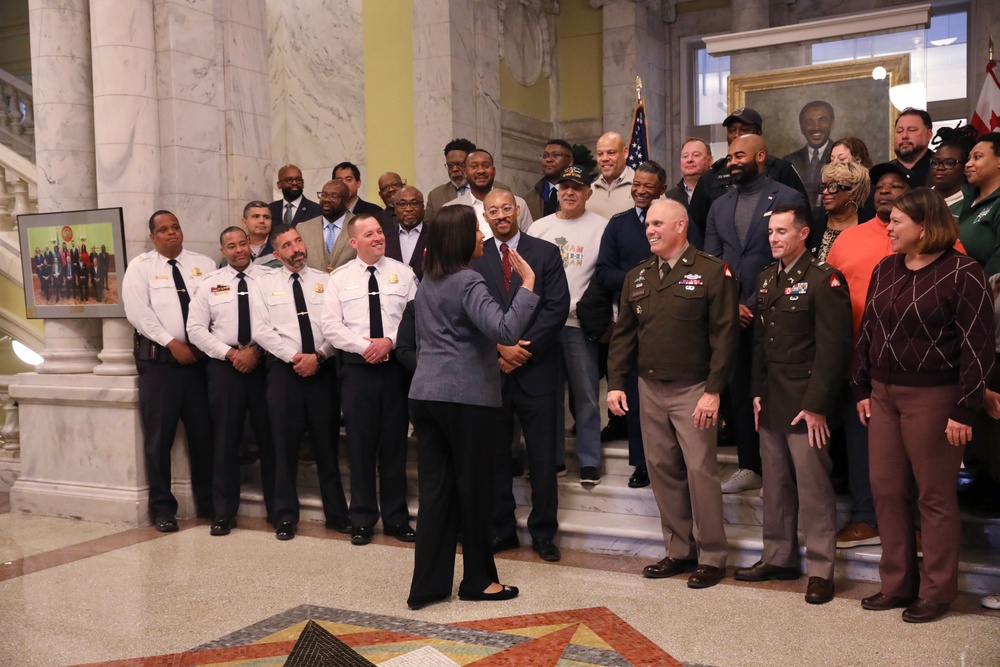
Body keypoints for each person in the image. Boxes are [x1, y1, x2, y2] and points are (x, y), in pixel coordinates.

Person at [852, 188, 995, 623]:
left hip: (935, 398)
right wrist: (861, 386)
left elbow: (979, 346)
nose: (889, 227)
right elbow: (868, 330)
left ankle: (936, 591)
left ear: (924, 226)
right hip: (883, 393)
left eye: (896, 221)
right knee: (887, 490)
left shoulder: (963, 272)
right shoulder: (886, 267)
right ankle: (896, 584)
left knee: (933, 497)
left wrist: (964, 408)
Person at [406, 205, 540, 611]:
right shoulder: (469, 280)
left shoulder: (428, 282)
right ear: (461, 239)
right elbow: (505, 329)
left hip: (425, 396)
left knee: (436, 494)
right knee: (475, 491)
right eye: (477, 231)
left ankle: (428, 587)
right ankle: (479, 581)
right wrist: (528, 282)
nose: (482, 237)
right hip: (466, 400)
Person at [607, 198, 738, 590]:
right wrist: (615, 382)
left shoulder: (712, 272)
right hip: (650, 388)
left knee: (700, 472)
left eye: (658, 223)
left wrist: (713, 391)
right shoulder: (638, 276)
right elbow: (624, 336)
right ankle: (680, 550)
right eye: (648, 224)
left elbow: (725, 336)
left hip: (695, 388)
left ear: (681, 226)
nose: (650, 230)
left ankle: (712, 556)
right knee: (662, 471)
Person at [735, 202, 852, 605]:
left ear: (803, 234)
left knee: (814, 489)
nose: (774, 238)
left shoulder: (824, 280)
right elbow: (761, 346)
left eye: (781, 232)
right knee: (776, 486)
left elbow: (833, 350)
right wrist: (755, 392)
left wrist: (818, 404)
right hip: (771, 400)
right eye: (771, 232)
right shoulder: (767, 280)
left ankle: (821, 569)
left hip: (806, 404)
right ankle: (779, 556)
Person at [704, 133, 808, 494]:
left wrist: (753, 301)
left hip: (777, 309)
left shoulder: (787, 196)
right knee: (738, 388)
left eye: (739, 156)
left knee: (775, 387)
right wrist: (731, 304)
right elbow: (712, 261)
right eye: (729, 156)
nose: (731, 162)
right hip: (731, 313)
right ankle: (750, 465)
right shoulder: (719, 205)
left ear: (761, 156)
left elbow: (791, 256)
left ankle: (785, 466)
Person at [472, 189, 569, 562]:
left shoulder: (544, 253)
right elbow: (472, 311)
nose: (500, 215)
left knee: (543, 458)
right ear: (486, 216)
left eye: (506, 208)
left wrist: (521, 350)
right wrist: (500, 348)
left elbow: (557, 308)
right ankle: (503, 529)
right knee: (496, 456)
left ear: (517, 211)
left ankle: (544, 533)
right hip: (493, 373)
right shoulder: (476, 258)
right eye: (492, 211)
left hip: (537, 371)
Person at [825, 162, 914, 550]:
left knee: (910, 448)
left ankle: (913, 523)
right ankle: (865, 517)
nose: (885, 191)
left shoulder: (924, 237)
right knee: (861, 445)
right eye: (880, 186)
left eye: (896, 186)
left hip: (912, 365)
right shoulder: (849, 238)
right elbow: (826, 295)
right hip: (856, 360)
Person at [249, 223, 350, 541]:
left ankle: (337, 515)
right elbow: (261, 330)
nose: (297, 248)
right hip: (284, 373)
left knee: (326, 445)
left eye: (298, 241)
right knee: (284, 446)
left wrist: (318, 356)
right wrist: (295, 357)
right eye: (288, 245)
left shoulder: (326, 280)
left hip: (322, 371)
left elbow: (337, 325)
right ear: (277, 254)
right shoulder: (264, 285)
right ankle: (285, 516)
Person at [322, 214, 418, 546]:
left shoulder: (403, 273)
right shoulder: (339, 279)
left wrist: (389, 341)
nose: (378, 237)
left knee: (394, 445)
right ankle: (362, 518)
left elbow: (414, 317)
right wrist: (367, 347)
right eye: (369, 234)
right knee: (360, 446)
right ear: (354, 242)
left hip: (394, 370)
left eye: (379, 231)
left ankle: (396, 519)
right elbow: (331, 327)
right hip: (357, 371)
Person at [122, 210, 217, 531]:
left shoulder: (203, 265)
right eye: (163, 230)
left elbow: (216, 307)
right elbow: (138, 313)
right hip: (160, 365)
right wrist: (171, 343)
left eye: (176, 227)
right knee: (158, 440)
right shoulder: (140, 267)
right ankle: (162, 509)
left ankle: (208, 503)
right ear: (153, 237)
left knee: (204, 436)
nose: (171, 233)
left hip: (200, 364)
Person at [186, 226, 275, 535]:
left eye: (243, 243)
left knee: (270, 438)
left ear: (250, 245)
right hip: (224, 367)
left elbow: (282, 321)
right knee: (224, 440)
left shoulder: (269, 280)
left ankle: (278, 510)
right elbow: (195, 329)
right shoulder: (209, 284)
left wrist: (258, 350)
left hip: (265, 365)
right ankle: (223, 512)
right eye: (231, 246)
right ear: (222, 251)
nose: (239, 250)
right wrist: (230, 354)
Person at [529, 166, 609, 486]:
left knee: (587, 396)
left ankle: (589, 460)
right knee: (549, 398)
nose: (570, 193)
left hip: (579, 324)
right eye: (564, 187)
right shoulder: (539, 228)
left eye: (577, 187)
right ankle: (555, 459)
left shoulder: (601, 228)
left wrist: (610, 317)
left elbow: (605, 278)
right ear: (557, 191)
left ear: (589, 192)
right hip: (544, 326)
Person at [594, 160, 670, 487]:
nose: (639, 191)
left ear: (662, 189)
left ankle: (670, 462)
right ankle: (641, 463)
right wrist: (639, 279)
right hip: (632, 322)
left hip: (672, 326)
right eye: (635, 184)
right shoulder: (619, 224)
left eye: (647, 186)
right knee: (637, 400)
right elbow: (603, 271)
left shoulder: (677, 222)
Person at [688, 107, 807, 245]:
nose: (736, 135)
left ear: (758, 133)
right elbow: (695, 229)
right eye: (731, 130)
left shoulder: (780, 169)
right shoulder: (712, 176)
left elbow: (802, 222)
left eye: (744, 130)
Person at [442, 149, 532, 237]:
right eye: (474, 166)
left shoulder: (518, 203)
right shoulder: (451, 209)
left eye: (486, 166)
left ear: (494, 171)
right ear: (465, 172)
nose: (481, 171)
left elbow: (529, 242)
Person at [956, 132, 1000, 275]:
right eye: (968, 159)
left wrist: (979, 289)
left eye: (977, 157)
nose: (968, 164)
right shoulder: (961, 202)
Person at [783, 101, 835, 217]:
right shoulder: (789, 161)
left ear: (832, 124)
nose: (816, 127)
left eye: (822, 120)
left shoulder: (841, 158)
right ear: (802, 128)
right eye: (809, 122)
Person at [809, 161, 871, 260]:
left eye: (833, 186)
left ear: (853, 193)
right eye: (824, 186)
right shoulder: (814, 228)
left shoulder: (870, 227)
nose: (825, 192)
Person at [296, 180, 357, 272]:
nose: (326, 199)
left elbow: (371, 260)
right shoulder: (302, 229)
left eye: (334, 196)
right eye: (323, 195)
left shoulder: (361, 226)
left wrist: (347, 273)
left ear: (347, 202)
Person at [382, 185, 427, 281]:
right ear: (395, 209)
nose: (408, 209)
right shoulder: (385, 239)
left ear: (423, 207)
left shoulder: (436, 235)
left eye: (414, 203)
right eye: (402, 204)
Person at [587, 132, 635, 219]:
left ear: (625, 153)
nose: (604, 158)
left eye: (611, 152)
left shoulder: (643, 189)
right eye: (600, 154)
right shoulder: (588, 193)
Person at [929, 124, 977, 213]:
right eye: (935, 162)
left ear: (965, 166)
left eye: (949, 163)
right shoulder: (920, 198)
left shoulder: (973, 202)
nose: (940, 168)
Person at [425, 138, 475, 223]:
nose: (454, 169)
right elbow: (429, 227)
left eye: (460, 164)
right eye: (450, 166)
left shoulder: (495, 189)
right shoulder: (435, 196)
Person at [524, 139, 574, 220]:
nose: (549, 159)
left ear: (570, 162)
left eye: (556, 155)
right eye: (545, 156)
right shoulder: (528, 199)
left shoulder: (579, 195)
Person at [892, 108, 934, 187]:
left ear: (928, 135)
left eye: (912, 130)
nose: (904, 136)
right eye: (899, 131)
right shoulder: (883, 171)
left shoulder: (943, 168)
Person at [665, 138, 712, 206]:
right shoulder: (668, 199)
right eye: (685, 156)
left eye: (696, 155)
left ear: (710, 161)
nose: (689, 160)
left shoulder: (720, 191)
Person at [240, 200, 280, 267]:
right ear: (244, 222)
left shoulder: (280, 248)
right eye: (256, 216)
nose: (261, 221)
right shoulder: (236, 250)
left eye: (266, 217)